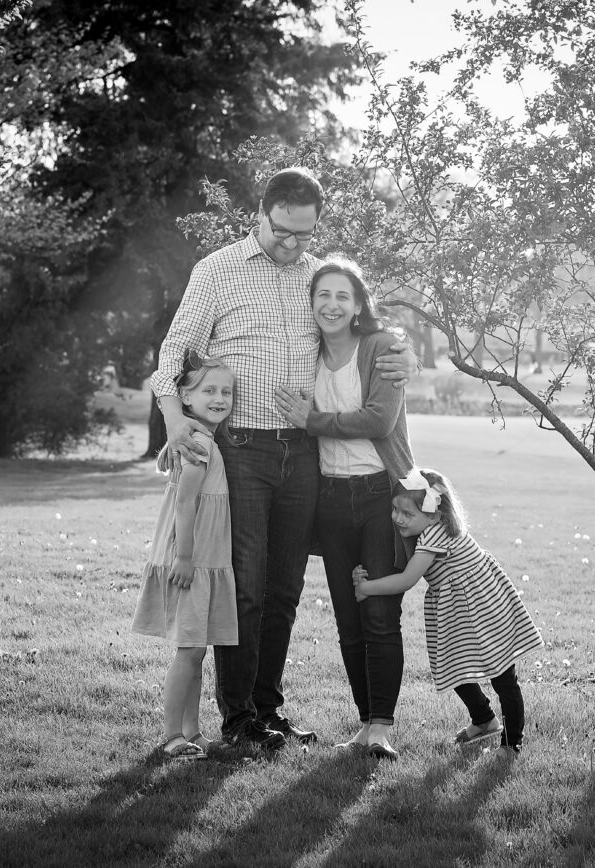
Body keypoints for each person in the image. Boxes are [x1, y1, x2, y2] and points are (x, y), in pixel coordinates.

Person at [149, 167, 416, 750]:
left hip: (304, 453)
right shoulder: (217, 270)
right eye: (283, 233)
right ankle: (238, 717)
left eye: (305, 234)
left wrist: (401, 354)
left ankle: (268, 711)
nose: (294, 245)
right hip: (241, 448)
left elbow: (360, 325)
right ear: (261, 215)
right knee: (246, 586)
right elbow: (173, 353)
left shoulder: (313, 279)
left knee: (285, 589)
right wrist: (175, 421)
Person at [274, 257, 414, 760]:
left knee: (379, 613)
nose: (331, 305)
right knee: (348, 620)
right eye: (322, 296)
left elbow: (379, 421)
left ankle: (382, 726)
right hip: (329, 499)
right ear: (310, 304)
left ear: (358, 305)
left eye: (342, 296)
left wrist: (314, 421)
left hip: (381, 497)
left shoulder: (381, 348)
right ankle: (364, 723)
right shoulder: (304, 353)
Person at [354, 468, 544, 753]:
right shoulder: (433, 528)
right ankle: (484, 720)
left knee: (503, 675)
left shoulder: (434, 535)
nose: (398, 518)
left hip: (482, 607)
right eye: (395, 509)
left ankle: (511, 743)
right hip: (462, 607)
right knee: (453, 667)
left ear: (434, 514)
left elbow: (407, 579)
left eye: (408, 513)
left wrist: (366, 588)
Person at [132, 353, 239, 761]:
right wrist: (186, 557)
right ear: (185, 399)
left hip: (201, 558)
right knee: (188, 650)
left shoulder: (202, 438)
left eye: (226, 391)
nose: (219, 397)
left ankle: (192, 731)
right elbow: (187, 502)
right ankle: (172, 734)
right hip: (192, 558)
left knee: (196, 648)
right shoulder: (198, 442)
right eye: (208, 390)